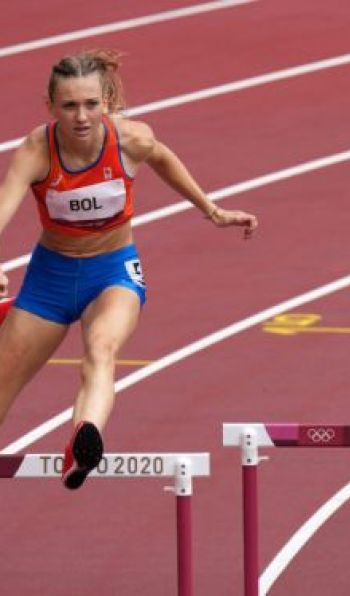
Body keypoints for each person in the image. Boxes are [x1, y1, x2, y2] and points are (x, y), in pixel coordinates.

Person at [0, 50, 258, 489]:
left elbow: (164, 159)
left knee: (101, 348)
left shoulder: (130, 139)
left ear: (106, 102)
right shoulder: (37, 149)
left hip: (113, 272)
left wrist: (210, 209)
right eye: (69, 106)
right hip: (50, 277)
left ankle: (85, 440)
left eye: (90, 104)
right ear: (51, 107)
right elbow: (5, 203)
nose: (81, 117)